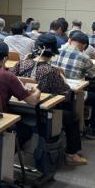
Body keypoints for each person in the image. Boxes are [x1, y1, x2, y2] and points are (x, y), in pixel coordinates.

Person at [11, 34, 88, 165]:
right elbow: (66, 94)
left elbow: (10, 79)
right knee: (72, 116)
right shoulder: (51, 71)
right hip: (42, 113)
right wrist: (63, 78)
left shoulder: (21, 64)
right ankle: (71, 154)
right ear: (53, 53)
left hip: (17, 110)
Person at [52, 32, 95, 138]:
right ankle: (94, 129)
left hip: (56, 90)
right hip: (74, 93)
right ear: (85, 45)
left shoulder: (57, 52)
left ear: (69, 41)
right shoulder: (84, 57)